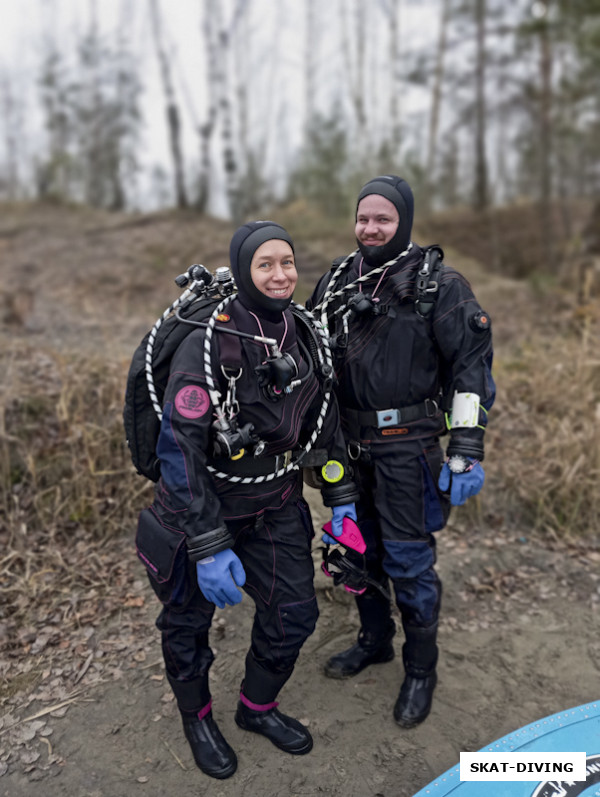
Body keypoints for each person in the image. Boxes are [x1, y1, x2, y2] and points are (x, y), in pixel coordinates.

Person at [135, 221, 358, 780]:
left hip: (275, 503)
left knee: (294, 613)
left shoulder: (305, 335)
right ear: (242, 270)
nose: (280, 275)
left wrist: (343, 503)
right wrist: (209, 545)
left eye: (287, 262)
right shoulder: (207, 342)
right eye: (265, 264)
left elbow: (324, 428)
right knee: (186, 625)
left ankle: (256, 707)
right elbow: (179, 448)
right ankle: (197, 719)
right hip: (200, 510)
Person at [307, 175, 495, 729]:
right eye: (363, 218)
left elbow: (470, 369)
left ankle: (420, 668)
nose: (370, 228)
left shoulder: (440, 285)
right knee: (356, 553)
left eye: (382, 219)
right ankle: (375, 640)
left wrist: (466, 447)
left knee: (409, 562)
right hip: (348, 449)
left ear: (403, 221)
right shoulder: (336, 280)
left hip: (408, 450)